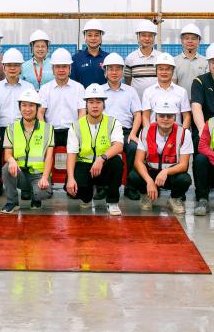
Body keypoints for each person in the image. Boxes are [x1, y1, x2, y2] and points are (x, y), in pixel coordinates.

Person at [66, 84, 125, 215]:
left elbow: (118, 146)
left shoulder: (113, 122)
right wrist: (70, 178)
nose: (95, 106)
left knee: (116, 162)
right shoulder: (76, 126)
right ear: (86, 105)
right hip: (84, 165)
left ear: (104, 105)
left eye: (98, 102)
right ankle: (87, 196)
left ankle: (112, 202)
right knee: (75, 191)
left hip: (105, 165)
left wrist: (101, 159)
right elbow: (71, 154)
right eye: (91, 102)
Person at [127, 99, 193, 214]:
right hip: (151, 172)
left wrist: (166, 172)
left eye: (169, 116)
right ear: (156, 117)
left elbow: (183, 165)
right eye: (162, 115)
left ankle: (174, 199)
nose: (165, 119)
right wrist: (149, 180)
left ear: (175, 117)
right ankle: (146, 196)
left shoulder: (184, 133)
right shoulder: (145, 131)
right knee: (133, 176)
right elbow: (138, 161)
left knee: (185, 179)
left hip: (171, 175)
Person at [0, 89, 55, 213]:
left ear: (37, 108)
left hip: (38, 175)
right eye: (24, 105)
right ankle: (12, 202)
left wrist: (45, 177)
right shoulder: (11, 128)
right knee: (6, 168)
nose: (27, 109)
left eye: (31, 105)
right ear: (19, 108)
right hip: (19, 173)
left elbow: (49, 156)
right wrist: (11, 161)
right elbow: (7, 154)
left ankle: (36, 198)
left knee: (42, 193)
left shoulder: (48, 128)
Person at [0, 48, 36, 161]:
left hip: (23, 128)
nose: (12, 68)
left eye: (16, 65)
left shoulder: (29, 87)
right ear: (3, 67)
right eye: (9, 65)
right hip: (1, 129)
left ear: (21, 68)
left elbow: (33, 111)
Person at [101, 52, 143, 176]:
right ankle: (102, 183)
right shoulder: (99, 90)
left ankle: (131, 183)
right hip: (104, 132)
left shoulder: (131, 91)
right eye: (111, 69)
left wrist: (133, 134)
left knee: (134, 148)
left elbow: (137, 115)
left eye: (118, 69)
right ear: (105, 71)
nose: (114, 72)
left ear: (123, 71)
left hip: (126, 132)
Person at [39, 48, 86, 147]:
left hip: (73, 131)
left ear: (70, 68)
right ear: (52, 69)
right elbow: (40, 113)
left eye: (64, 66)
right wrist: (45, 132)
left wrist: (78, 132)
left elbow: (82, 113)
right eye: (57, 67)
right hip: (51, 131)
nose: (61, 70)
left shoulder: (79, 88)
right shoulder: (45, 89)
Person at [140, 52, 191, 128]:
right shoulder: (148, 92)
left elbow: (186, 116)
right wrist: (148, 133)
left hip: (176, 133)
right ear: (156, 71)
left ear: (173, 71)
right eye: (161, 69)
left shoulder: (182, 92)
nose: (164, 72)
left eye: (168, 69)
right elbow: (145, 116)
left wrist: (182, 133)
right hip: (154, 133)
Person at [125, 20, 162, 99]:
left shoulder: (161, 57)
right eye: (143, 35)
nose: (147, 38)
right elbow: (128, 81)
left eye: (150, 36)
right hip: (137, 101)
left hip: (157, 101)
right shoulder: (130, 58)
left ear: (154, 37)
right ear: (138, 37)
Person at [70, 19, 110, 88]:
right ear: (85, 38)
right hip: (82, 95)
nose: (93, 38)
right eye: (89, 35)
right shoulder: (75, 59)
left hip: (104, 95)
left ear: (101, 37)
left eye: (96, 35)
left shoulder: (108, 58)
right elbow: (72, 83)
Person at [173, 23, 208, 90]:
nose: (190, 41)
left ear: (199, 41)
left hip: (200, 97)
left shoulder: (205, 62)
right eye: (186, 38)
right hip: (180, 97)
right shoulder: (174, 61)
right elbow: (173, 84)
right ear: (182, 41)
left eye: (193, 38)